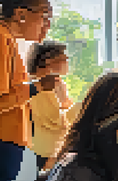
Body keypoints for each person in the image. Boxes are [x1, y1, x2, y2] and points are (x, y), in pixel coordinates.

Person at [0, 0, 53, 181]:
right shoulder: (0, 38)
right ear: (20, 14)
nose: (47, 25)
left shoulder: (2, 37)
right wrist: (35, 88)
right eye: (44, 16)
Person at [27, 40, 80, 171]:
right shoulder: (38, 85)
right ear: (47, 61)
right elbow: (55, 121)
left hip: (56, 148)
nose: (67, 61)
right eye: (63, 58)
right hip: (44, 151)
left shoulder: (58, 83)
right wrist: (80, 108)